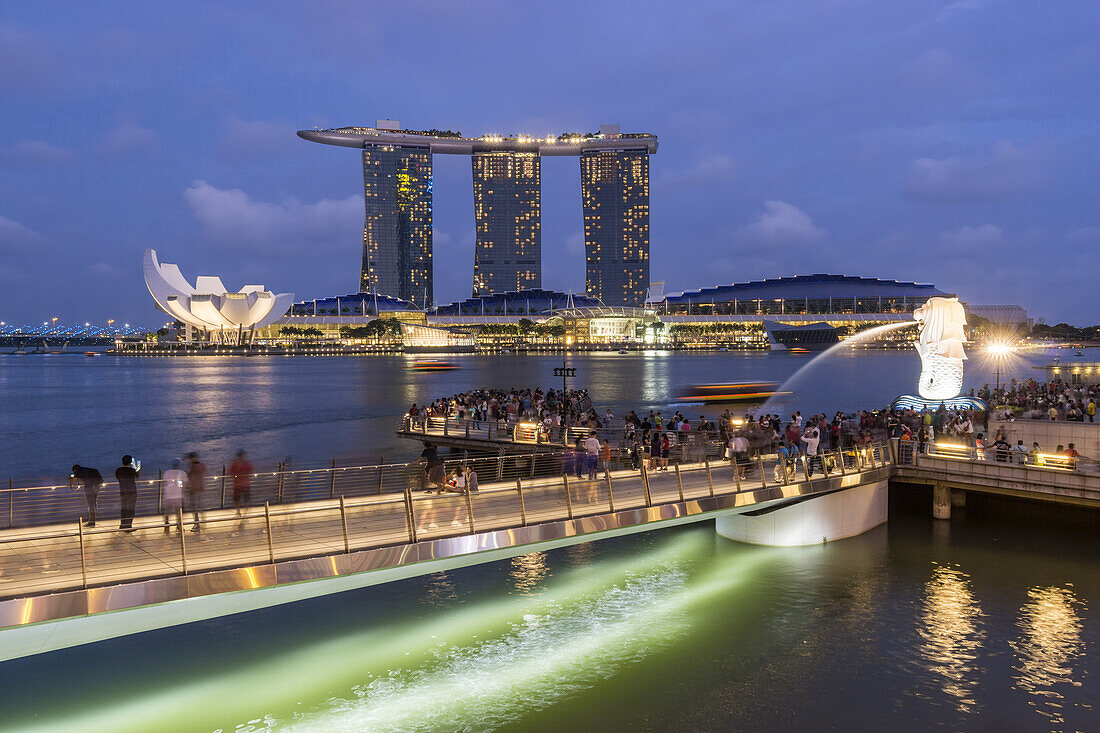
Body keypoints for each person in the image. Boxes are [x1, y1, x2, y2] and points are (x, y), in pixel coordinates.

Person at [162, 458, 188, 534]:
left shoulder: (167, 473)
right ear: (179, 465)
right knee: (179, 512)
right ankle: (179, 526)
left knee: (167, 512)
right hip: (178, 496)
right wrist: (183, 494)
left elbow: (165, 483)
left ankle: (166, 526)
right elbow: (185, 485)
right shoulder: (183, 473)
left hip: (168, 495)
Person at [115, 456, 140, 532]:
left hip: (122, 491)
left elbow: (117, 478)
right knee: (130, 510)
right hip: (132, 492)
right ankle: (128, 526)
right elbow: (137, 476)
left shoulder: (118, 470)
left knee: (124, 509)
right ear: (130, 462)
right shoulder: (132, 471)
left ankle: (122, 525)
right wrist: (137, 468)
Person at [185, 452, 206, 532]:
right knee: (199, 506)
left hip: (194, 489)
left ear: (193, 458)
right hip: (201, 488)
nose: (189, 460)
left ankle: (197, 524)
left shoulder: (194, 466)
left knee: (194, 508)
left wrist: (187, 473)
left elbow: (191, 477)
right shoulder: (202, 465)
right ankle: (202, 522)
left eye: (190, 459)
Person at [229, 449, 253, 515]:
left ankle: (244, 512)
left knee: (243, 500)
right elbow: (231, 472)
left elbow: (231, 472)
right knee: (238, 500)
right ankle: (240, 512)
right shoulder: (237, 463)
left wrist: (236, 476)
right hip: (240, 484)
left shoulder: (238, 463)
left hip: (241, 484)